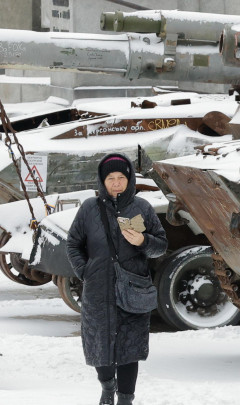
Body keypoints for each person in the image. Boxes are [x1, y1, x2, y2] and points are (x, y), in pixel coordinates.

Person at [67, 153, 168, 405]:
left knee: (128, 349)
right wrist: (85, 271)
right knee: (99, 347)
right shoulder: (89, 208)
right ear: (103, 181)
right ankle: (107, 385)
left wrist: (143, 241)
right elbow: (73, 244)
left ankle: (125, 399)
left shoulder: (142, 208)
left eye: (121, 177)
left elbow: (161, 246)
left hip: (132, 289)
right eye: (110, 178)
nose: (116, 183)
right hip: (98, 290)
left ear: (129, 178)